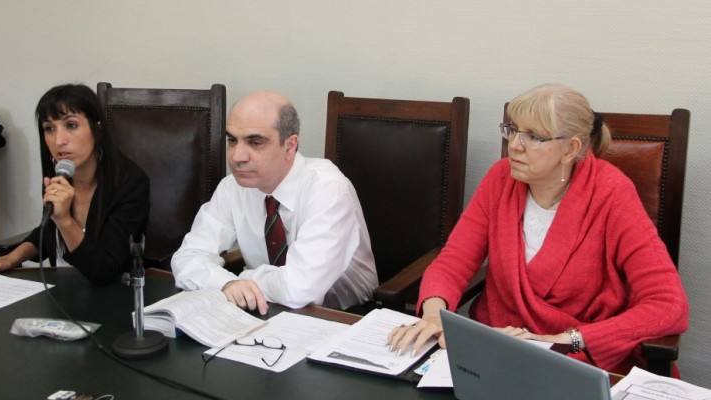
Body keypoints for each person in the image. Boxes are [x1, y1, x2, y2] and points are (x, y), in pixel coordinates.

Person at [387, 83, 688, 375]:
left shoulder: (612, 193)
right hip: (496, 350)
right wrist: (434, 314)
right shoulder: (500, 178)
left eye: (533, 136)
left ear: (571, 149)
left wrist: (563, 340)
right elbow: (454, 261)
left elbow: (668, 304)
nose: (514, 145)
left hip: (574, 360)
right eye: (512, 130)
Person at [171, 90, 378, 313]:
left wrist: (245, 279)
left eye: (255, 142)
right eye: (232, 140)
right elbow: (187, 256)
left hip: (345, 315)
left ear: (289, 146)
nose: (237, 156)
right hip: (266, 308)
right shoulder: (232, 187)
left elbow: (299, 288)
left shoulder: (328, 188)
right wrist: (226, 283)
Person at [0, 84, 150, 285]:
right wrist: (9, 259)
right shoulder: (63, 172)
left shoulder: (131, 183)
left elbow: (103, 270)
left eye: (71, 125)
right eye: (49, 128)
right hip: (63, 290)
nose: (59, 140)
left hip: (111, 296)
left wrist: (65, 220)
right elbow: (48, 229)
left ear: (97, 130)